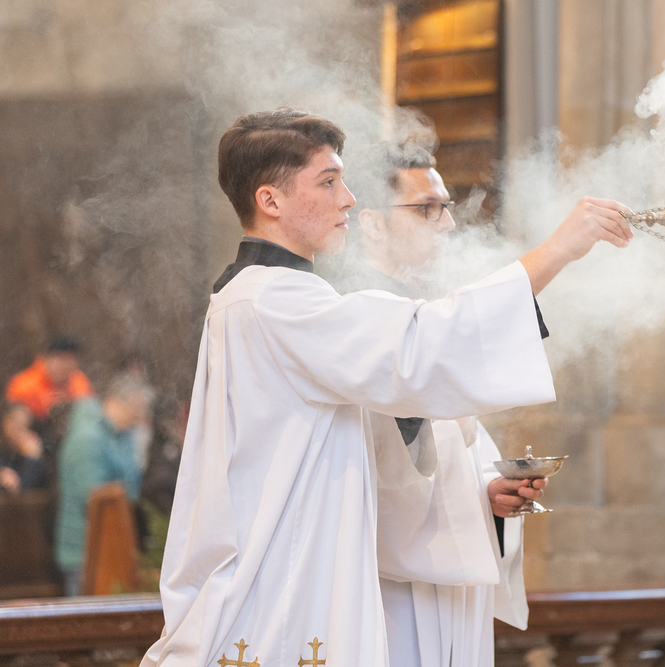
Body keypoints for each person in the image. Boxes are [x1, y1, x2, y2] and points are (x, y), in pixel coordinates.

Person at [140, 108, 631, 667]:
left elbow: (371, 439)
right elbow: (421, 348)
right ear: (270, 200)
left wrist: (479, 495)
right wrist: (559, 249)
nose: (348, 199)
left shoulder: (262, 296)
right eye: (328, 182)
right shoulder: (275, 301)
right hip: (280, 594)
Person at [334, 143, 542, 666]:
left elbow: (452, 445)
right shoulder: (353, 315)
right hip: (388, 585)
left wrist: (489, 492)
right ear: (372, 223)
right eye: (426, 208)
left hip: (451, 584)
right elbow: (379, 465)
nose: (447, 223)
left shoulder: (427, 310)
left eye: (446, 207)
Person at [55, 373, 153, 596]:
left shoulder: (122, 435)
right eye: (138, 409)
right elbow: (95, 498)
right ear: (119, 401)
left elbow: (132, 487)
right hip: (86, 551)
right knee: (88, 615)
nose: (140, 417)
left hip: (112, 547)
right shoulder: (87, 438)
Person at [6, 335, 94, 478]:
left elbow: (88, 416)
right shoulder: (26, 384)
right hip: (34, 441)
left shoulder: (79, 383)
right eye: (61, 359)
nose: (66, 366)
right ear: (48, 358)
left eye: (71, 360)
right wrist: (24, 440)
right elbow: (13, 422)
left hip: (65, 442)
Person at [0, 402, 46, 495]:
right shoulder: (4, 452)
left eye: (25, 426)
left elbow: (27, 489)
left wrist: (32, 458)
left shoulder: (31, 451)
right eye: (15, 424)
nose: (21, 432)